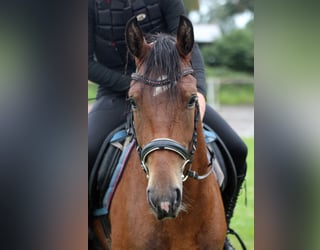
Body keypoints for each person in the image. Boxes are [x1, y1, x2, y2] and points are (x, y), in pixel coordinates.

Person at [88, 0, 247, 248]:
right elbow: (86, 62)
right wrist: (137, 83)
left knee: (237, 148)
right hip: (117, 93)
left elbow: (188, 45)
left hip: (172, 88)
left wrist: (200, 91)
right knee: (81, 155)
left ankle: (221, 228)